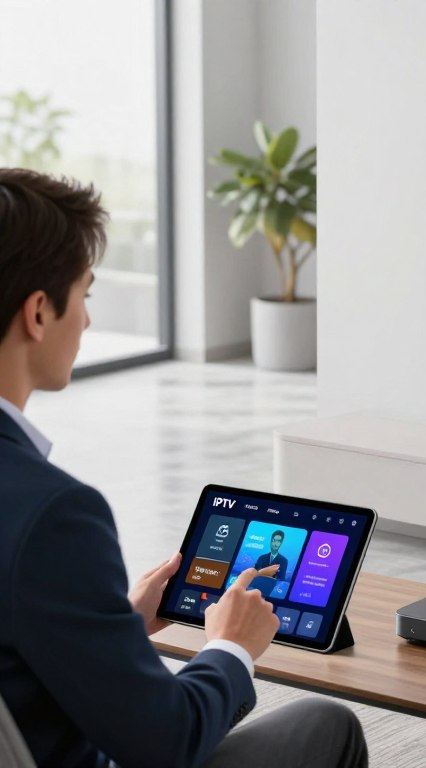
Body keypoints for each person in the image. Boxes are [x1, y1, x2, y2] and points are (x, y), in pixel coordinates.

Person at [0, 169, 367, 768]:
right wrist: (230, 647)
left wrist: (110, 623)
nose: (88, 322)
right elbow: (165, 742)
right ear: (38, 312)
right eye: (86, 295)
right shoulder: (53, 516)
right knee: (326, 725)